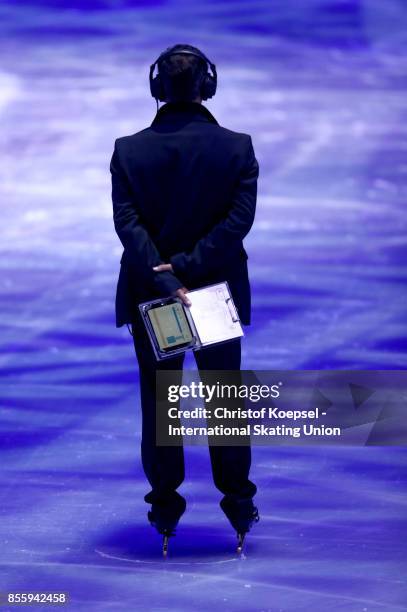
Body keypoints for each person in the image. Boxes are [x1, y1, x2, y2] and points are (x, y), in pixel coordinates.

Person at [109, 43, 259, 554]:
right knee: (225, 404)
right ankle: (239, 505)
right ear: (207, 86)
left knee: (160, 405)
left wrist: (165, 276)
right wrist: (191, 269)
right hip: (213, 294)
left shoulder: (129, 150)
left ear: (157, 88)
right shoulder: (236, 147)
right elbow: (237, 224)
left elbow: (127, 225)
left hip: (155, 297)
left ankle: (165, 509)